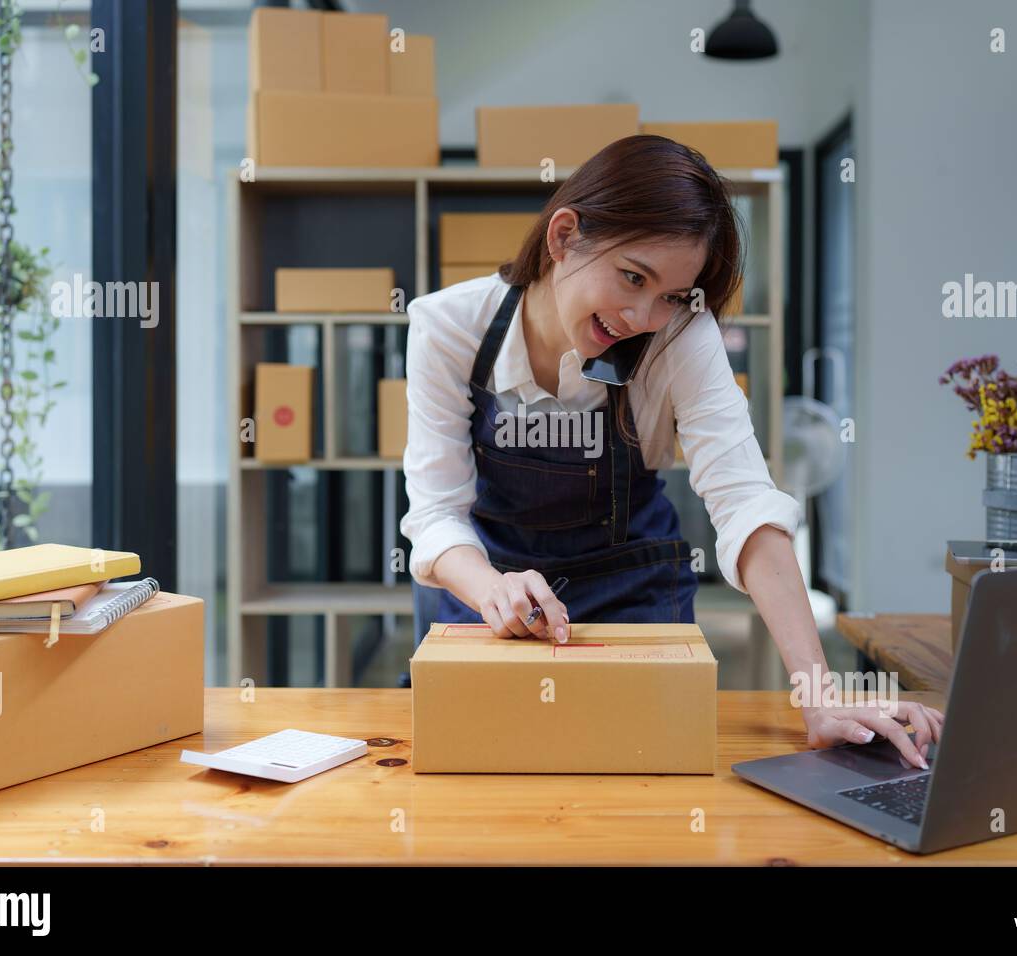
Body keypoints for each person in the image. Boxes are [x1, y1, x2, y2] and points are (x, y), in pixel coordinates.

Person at [400, 135, 941, 769]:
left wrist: (819, 695)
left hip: (635, 596)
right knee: (473, 789)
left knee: (652, 791)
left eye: (669, 296)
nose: (639, 315)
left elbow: (744, 501)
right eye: (633, 276)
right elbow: (436, 514)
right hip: (492, 597)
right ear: (563, 236)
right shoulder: (448, 327)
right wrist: (494, 588)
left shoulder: (681, 336)